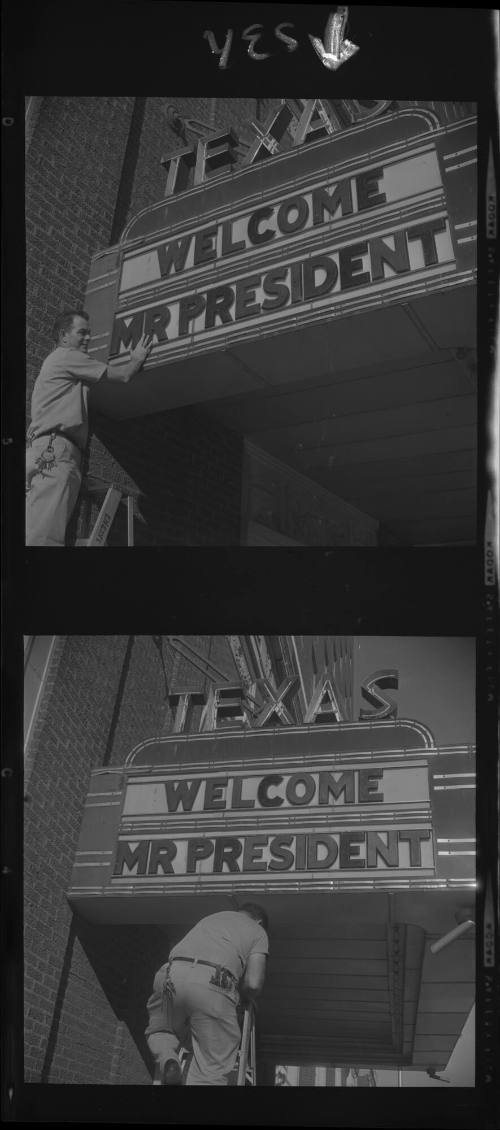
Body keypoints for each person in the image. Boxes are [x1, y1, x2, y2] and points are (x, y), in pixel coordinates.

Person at [25, 308, 153, 546]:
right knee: (45, 539)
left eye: (89, 333)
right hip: (57, 450)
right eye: (81, 332)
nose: (88, 338)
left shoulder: (57, 362)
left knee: (41, 529)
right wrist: (136, 359)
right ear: (64, 336)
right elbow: (122, 375)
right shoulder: (67, 355)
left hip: (48, 448)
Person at [145, 903, 269, 1086]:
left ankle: (168, 1060)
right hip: (214, 980)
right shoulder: (258, 931)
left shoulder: (212, 918)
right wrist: (242, 997)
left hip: (171, 973)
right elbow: (253, 983)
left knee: (161, 1029)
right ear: (259, 921)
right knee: (212, 1063)